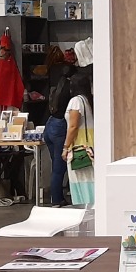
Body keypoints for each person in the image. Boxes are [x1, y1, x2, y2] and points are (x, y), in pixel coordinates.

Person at [62, 73, 95, 207]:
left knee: (80, 181)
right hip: (91, 146)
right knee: (92, 180)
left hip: (79, 146)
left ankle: (84, 209)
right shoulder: (88, 100)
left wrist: (65, 147)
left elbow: (73, 126)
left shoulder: (76, 101)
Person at [42, 71, 73, 207]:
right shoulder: (72, 93)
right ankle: (56, 200)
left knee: (56, 167)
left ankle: (57, 198)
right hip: (60, 127)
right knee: (59, 168)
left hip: (50, 125)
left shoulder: (58, 88)